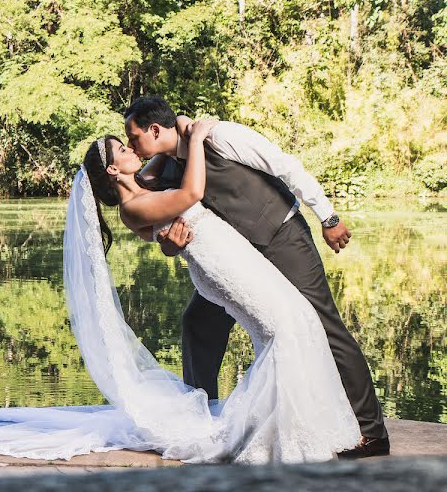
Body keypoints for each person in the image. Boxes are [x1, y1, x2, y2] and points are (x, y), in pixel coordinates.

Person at [0, 121, 360, 464]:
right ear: (114, 168)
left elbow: (165, 168)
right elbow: (190, 196)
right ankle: (275, 435)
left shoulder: (145, 181)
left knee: (294, 321)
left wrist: (181, 135)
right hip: (219, 262)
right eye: (123, 148)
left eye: (131, 140)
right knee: (283, 328)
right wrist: (200, 139)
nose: (131, 148)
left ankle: (293, 426)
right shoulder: (131, 208)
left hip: (231, 251)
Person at [125, 95, 388, 458]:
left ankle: (372, 432)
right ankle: (201, 420)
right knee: (197, 323)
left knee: (323, 324)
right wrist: (170, 244)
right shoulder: (168, 166)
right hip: (236, 263)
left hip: (281, 238)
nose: (131, 146)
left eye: (135, 138)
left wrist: (327, 217)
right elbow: (156, 218)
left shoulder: (221, 136)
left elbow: (285, 166)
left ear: (155, 130)